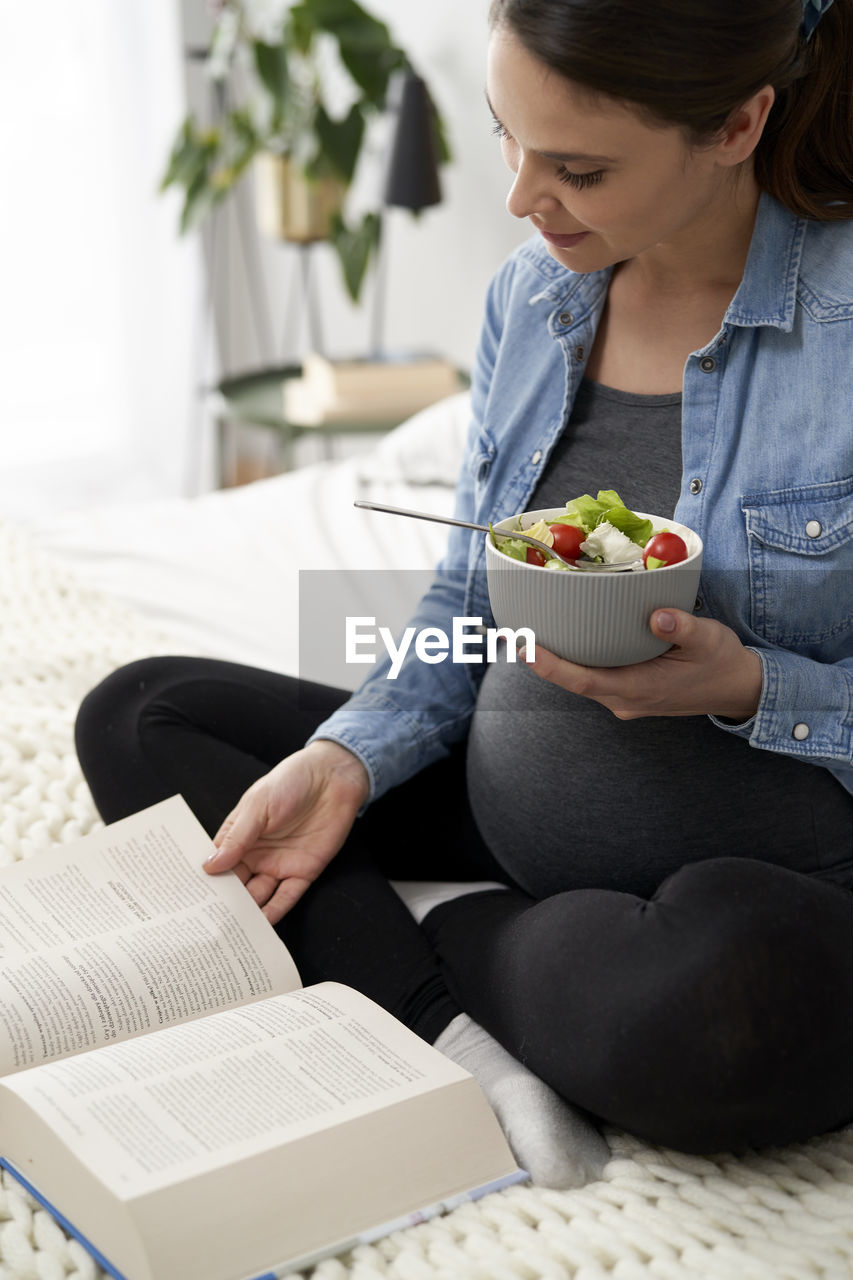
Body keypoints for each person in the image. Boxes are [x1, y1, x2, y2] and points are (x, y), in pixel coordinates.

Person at [75, 0, 853, 1187]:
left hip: (771, 874)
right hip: (500, 792)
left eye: (578, 167)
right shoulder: (532, 301)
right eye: (509, 138)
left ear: (738, 123)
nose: (522, 199)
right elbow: (463, 598)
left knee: (729, 1007)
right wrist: (352, 758)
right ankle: (458, 1032)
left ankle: (432, 937)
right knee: (140, 712)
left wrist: (751, 682)